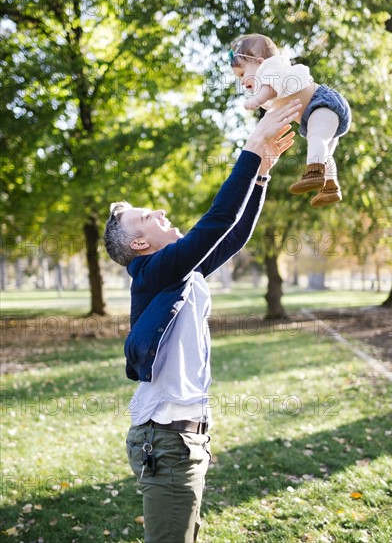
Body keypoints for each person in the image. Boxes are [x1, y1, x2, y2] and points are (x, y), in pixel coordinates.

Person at [103, 100, 301, 543]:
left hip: (184, 441)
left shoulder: (180, 273)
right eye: (144, 217)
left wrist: (263, 171)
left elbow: (232, 234)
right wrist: (251, 145)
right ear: (138, 241)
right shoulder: (152, 272)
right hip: (167, 443)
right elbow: (216, 222)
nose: (156, 210)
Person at [229, 33, 352, 208]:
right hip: (320, 115)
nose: (242, 81)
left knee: (317, 139)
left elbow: (270, 89)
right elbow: (274, 112)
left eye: (242, 73)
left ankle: (314, 173)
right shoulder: (268, 89)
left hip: (323, 103)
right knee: (324, 150)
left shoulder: (271, 69)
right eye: (238, 78)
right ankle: (330, 188)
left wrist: (256, 101)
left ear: (259, 61)